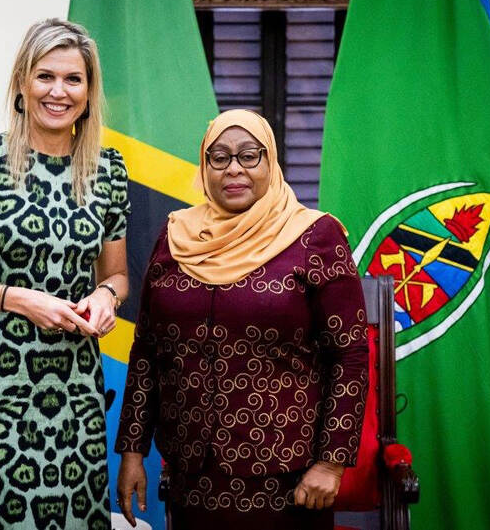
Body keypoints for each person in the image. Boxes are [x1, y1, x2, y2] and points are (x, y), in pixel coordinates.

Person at [0, 18, 130, 530]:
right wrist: (18, 298)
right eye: (45, 76)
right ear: (21, 82)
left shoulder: (109, 170)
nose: (59, 91)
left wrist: (104, 297)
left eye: (73, 79)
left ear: (89, 91)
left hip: (74, 386)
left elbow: (119, 275)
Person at [114, 109, 368, 529]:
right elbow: (147, 351)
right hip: (191, 475)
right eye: (219, 157)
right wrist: (133, 451)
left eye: (250, 156)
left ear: (271, 162)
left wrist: (332, 463)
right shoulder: (177, 235)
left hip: (287, 478)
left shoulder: (315, 236)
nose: (234, 168)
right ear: (204, 165)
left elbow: (350, 358)